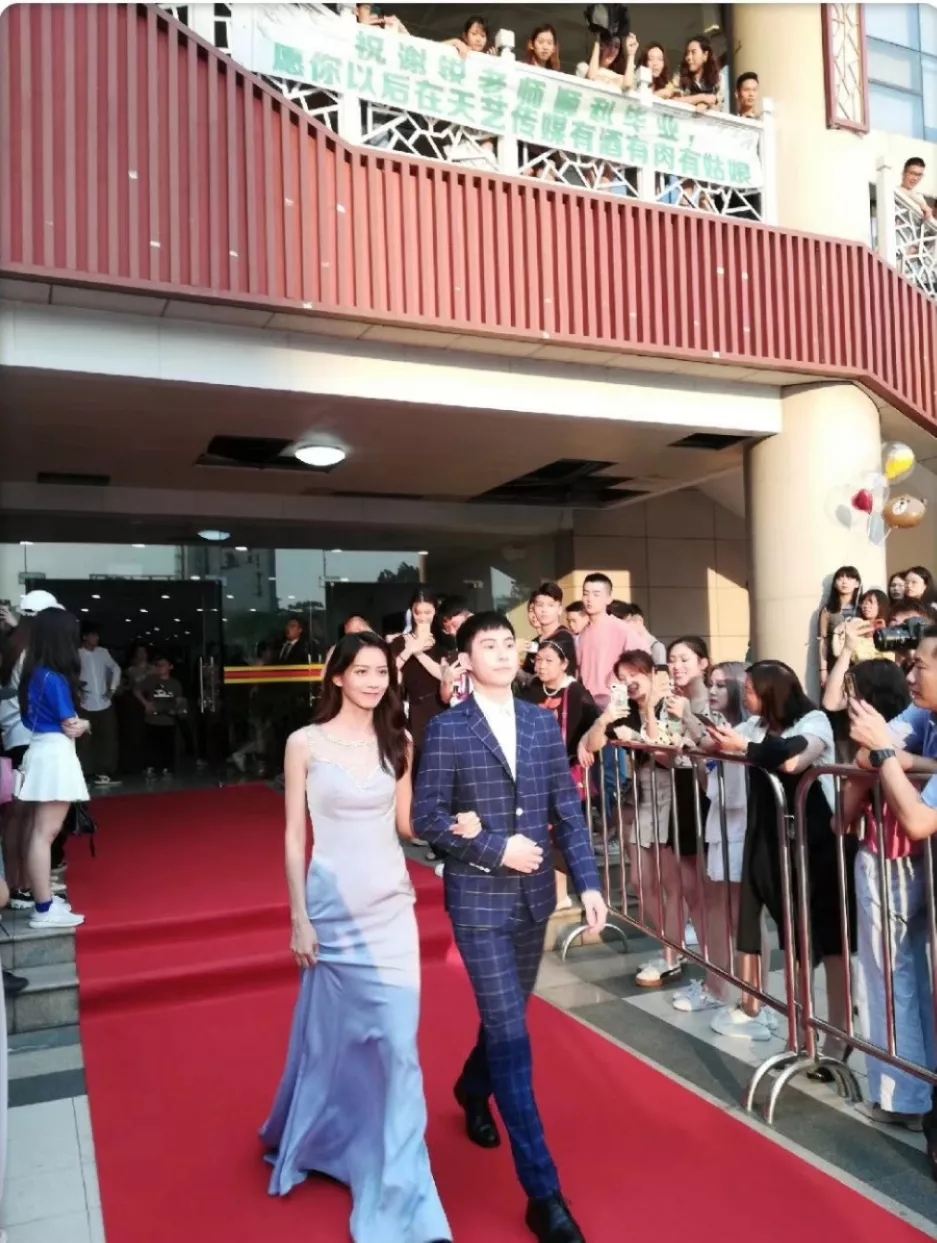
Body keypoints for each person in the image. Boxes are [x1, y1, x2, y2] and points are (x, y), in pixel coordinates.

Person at [414, 611, 607, 1243]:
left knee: (506, 1022)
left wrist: (589, 883)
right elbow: (427, 818)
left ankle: (472, 1088)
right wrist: (495, 848)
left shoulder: (540, 722)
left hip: (534, 902)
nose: (501, 653)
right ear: (466, 660)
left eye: (508, 643)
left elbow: (566, 811)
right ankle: (544, 1194)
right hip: (478, 903)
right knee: (512, 1036)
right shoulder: (448, 729)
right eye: (487, 645)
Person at [261, 632, 452, 1242]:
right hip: (332, 910)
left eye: (381, 672)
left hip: (390, 908)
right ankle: (327, 1137)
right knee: (334, 1041)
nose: (373, 682)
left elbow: (408, 824)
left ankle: (399, 1185)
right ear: (337, 676)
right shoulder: (305, 743)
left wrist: (458, 825)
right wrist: (299, 916)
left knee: (398, 1045)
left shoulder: (400, 740)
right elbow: (295, 835)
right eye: (362, 671)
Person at [847, 628, 937, 1165]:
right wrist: (905, 760)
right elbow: (867, 756)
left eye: (921, 664)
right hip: (921, 875)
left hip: (902, 864)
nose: (911, 674)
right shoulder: (925, 718)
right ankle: (914, 1095)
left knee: (893, 975)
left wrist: (888, 752)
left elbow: (918, 819)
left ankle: (906, 1096)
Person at [16, 608, 89, 930]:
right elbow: (71, 724)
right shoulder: (54, 678)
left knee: (38, 831)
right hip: (56, 754)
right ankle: (44, 907)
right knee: (44, 834)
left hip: (40, 749)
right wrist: (86, 724)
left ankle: (43, 900)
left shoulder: (34, 673)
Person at [77, 624, 122, 787]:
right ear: (84, 637)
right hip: (85, 704)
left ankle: (104, 773)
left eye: (97, 636)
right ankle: (85, 773)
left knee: (107, 739)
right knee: (84, 740)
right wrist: (77, 690)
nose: (96, 638)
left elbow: (116, 668)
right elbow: (69, 673)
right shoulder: (77, 654)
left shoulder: (103, 652)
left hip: (104, 703)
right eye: (93, 635)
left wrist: (112, 689)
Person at [136, 656, 186, 779]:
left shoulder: (175, 683)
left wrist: (176, 709)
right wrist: (146, 704)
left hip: (168, 720)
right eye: (158, 665)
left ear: (170, 667)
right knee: (151, 746)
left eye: (163, 665)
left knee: (168, 746)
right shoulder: (151, 679)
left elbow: (179, 700)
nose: (160, 667)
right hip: (152, 719)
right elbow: (136, 690)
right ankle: (150, 768)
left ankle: (167, 768)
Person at [818, 565, 862, 688]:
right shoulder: (828, 611)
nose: (844, 581)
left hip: (859, 663)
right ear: (834, 584)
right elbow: (823, 641)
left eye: (849, 578)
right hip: (835, 662)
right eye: (840, 578)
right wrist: (823, 670)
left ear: (857, 583)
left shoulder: (863, 608)